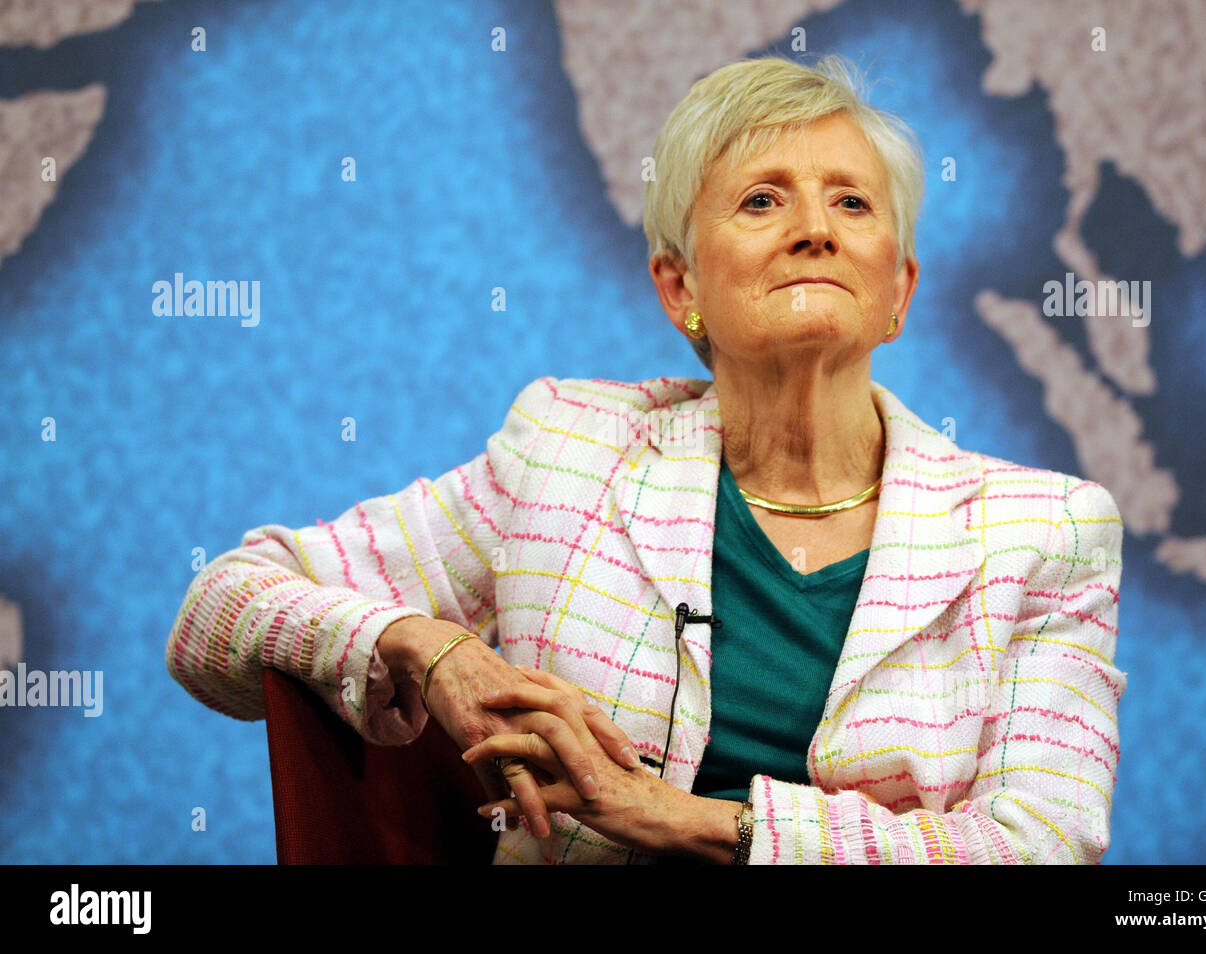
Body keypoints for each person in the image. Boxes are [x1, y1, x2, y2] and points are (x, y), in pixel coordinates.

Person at [166, 54, 1126, 864]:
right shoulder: (568, 451)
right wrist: (429, 648)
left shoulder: (1044, 533)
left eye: (851, 202)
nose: (815, 228)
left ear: (897, 291)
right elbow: (218, 617)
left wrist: (694, 822)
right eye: (762, 200)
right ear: (680, 288)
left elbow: (1041, 844)